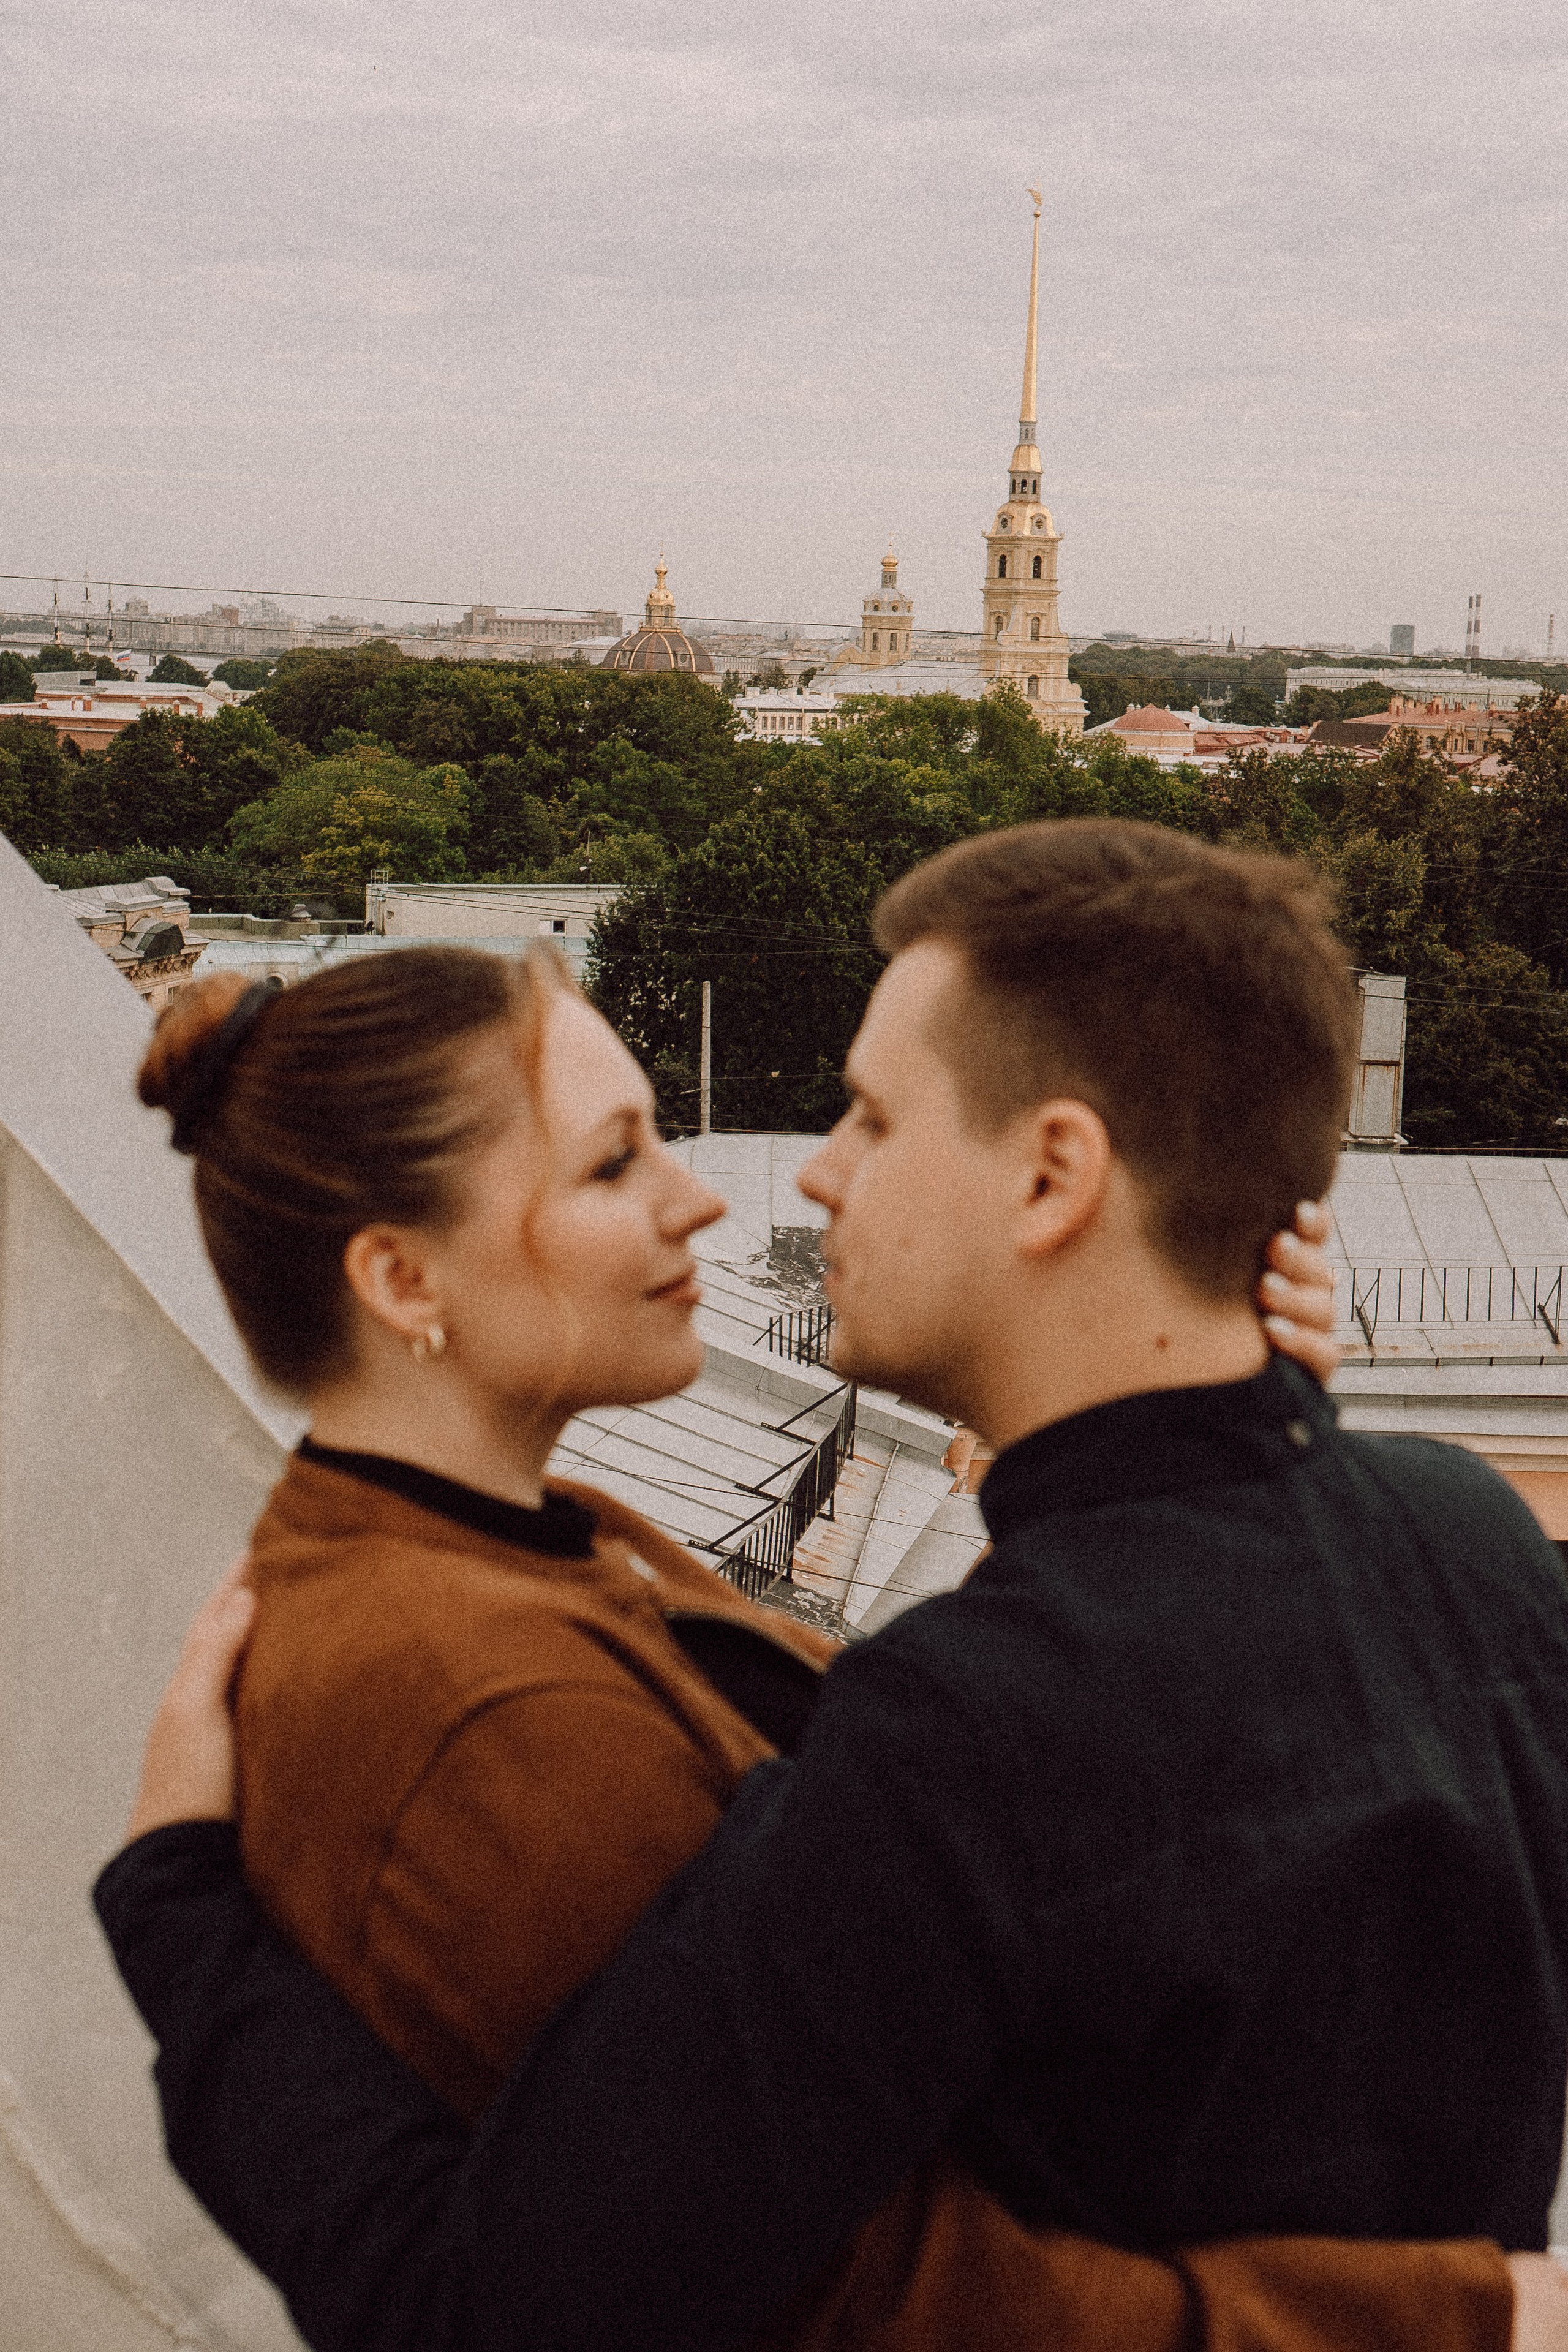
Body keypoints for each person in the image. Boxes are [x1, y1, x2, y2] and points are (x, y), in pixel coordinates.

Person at [95, 828, 1568, 2352]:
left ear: (1054, 1174)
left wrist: (180, 1930)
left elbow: (541, 2297)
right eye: (617, 1157)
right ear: (399, 1279)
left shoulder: (935, 1704)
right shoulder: (1467, 1535)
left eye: (866, 1114)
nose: (777, 1181)